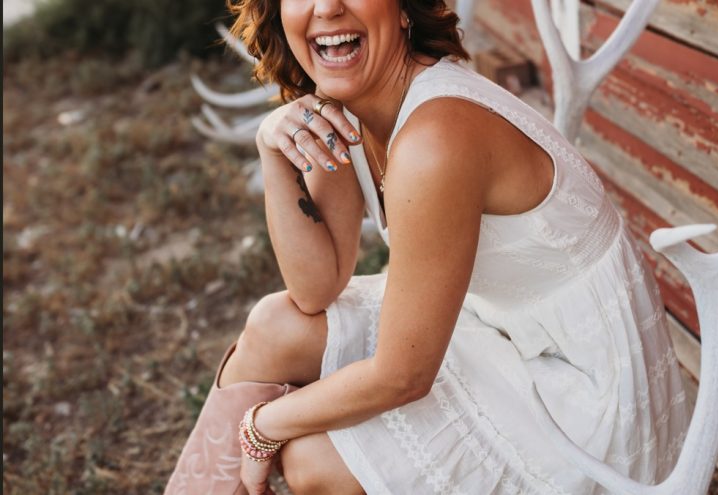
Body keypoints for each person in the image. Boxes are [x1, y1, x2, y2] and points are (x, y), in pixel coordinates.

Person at [165, 1, 690, 494]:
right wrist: (271, 148)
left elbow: (403, 376)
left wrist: (262, 425)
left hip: (584, 390)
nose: (326, 8)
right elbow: (315, 287)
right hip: (499, 331)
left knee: (312, 460)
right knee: (273, 326)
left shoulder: (436, 137)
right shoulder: (350, 106)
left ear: (403, 10)